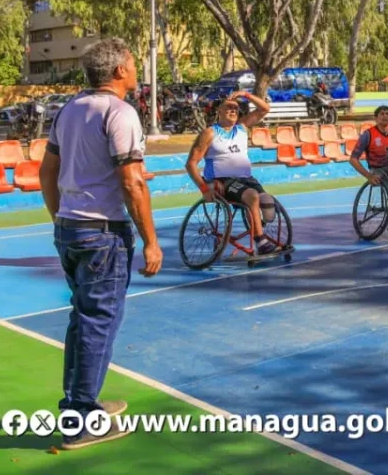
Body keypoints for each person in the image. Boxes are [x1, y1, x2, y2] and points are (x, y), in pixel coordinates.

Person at [40, 38, 161, 450]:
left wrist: (61, 217)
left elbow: (48, 170)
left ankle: (79, 404)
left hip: (71, 229)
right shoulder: (119, 112)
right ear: (118, 72)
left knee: (82, 319)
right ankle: (82, 418)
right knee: (99, 322)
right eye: (131, 63)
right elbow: (131, 181)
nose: (135, 67)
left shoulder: (70, 109)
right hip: (103, 234)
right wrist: (151, 242)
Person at [185, 90, 279, 255]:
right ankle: (260, 240)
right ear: (218, 111)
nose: (233, 110)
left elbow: (264, 109)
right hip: (222, 181)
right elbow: (191, 163)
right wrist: (204, 189)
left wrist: (247, 95)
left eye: (235, 108)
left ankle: (256, 226)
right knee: (252, 196)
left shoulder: (241, 127)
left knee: (267, 201)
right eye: (228, 107)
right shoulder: (210, 133)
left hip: (247, 179)